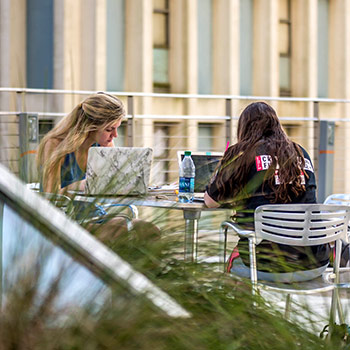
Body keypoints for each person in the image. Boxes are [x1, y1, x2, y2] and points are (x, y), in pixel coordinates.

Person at [204, 101, 330, 282]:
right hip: (316, 262)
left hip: (268, 265)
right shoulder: (300, 153)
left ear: (244, 128)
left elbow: (210, 201)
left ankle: (247, 310)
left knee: (235, 259)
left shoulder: (242, 154)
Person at [37, 92, 160, 242]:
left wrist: (131, 185)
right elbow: (50, 195)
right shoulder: (55, 144)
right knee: (120, 229)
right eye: (109, 129)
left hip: (96, 215)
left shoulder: (103, 144)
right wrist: (81, 186)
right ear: (90, 127)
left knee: (149, 230)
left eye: (117, 128)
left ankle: (140, 266)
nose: (115, 135)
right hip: (67, 221)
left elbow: (114, 182)